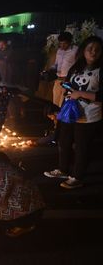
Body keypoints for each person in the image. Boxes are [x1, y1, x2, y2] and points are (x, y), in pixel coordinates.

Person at [44, 36, 103, 189]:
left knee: (82, 147)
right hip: (70, 112)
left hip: (89, 116)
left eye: (97, 49)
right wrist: (64, 98)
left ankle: (77, 176)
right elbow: (69, 84)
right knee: (64, 142)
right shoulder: (77, 67)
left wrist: (80, 94)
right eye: (90, 49)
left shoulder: (99, 71)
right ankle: (63, 169)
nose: (93, 52)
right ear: (83, 50)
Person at [51, 32, 77, 107]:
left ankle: (61, 118)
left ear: (70, 42)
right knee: (55, 102)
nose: (62, 46)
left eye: (65, 43)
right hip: (58, 80)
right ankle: (55, 118)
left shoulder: (75, 50)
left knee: (63, 103)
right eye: (60, 43)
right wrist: (51, 69)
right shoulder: (59, 51)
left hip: (68, 81)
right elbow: (56, 63)